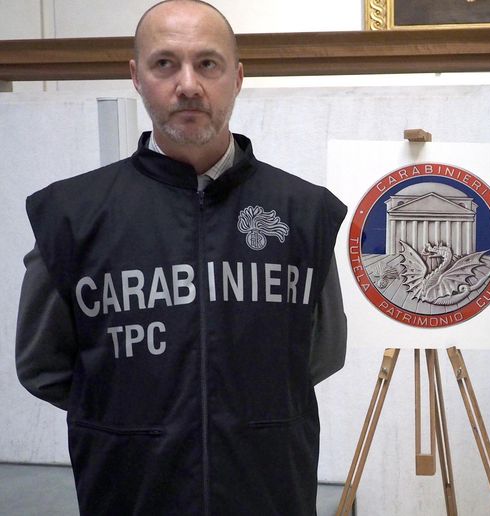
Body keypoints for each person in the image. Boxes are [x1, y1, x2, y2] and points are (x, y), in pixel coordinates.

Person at [15, 1, 347, 514]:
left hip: (268, 490)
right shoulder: (71, 216)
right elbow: (43, 366)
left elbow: (321, 355)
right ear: (136, 76)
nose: (188, 85)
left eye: (207, 63)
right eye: (165, 64)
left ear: (237, 78)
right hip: (130, 491)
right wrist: (133, 415)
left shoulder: (304, 213)